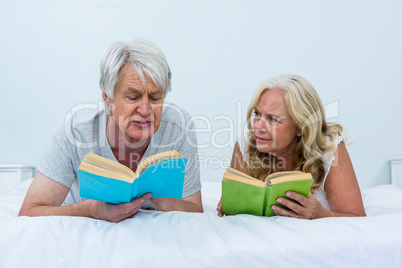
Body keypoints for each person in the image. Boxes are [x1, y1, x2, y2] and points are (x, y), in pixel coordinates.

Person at [19, 39, 203, 222]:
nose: (145, 110)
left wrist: (159, 195)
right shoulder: (76, 130)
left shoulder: (178, 127)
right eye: (133, 97)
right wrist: (91, 210)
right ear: (107, 96)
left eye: (155, 98)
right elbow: (30, 211)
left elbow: (194, 209)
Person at [217, 74, 366, 219]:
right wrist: (231, 207)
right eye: (257, 114)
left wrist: (322, 215)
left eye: (272, 119)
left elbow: (356, 218)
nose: (258, 127)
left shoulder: (329, 148)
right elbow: (237, 214)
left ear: (301, 127)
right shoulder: (246, 144)